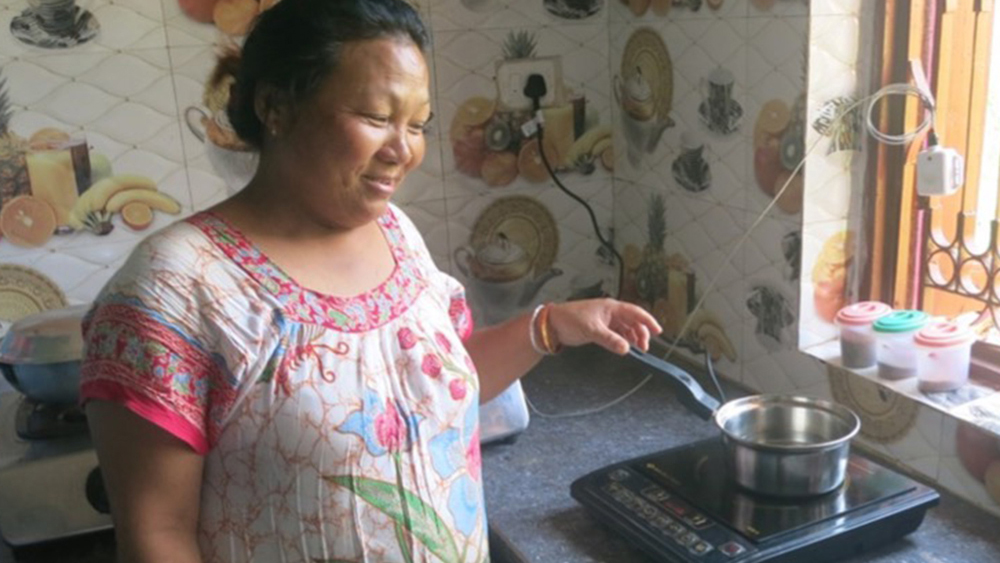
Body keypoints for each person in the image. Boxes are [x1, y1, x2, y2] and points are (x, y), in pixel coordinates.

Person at [80, 0, 663, 561]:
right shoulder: (176, 287)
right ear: (275, 107)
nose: (402, 150)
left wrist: (551, 326)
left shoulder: (395, 233)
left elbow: (432, 387)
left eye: (418, 125)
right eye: (377, 118)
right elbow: (156, 533)